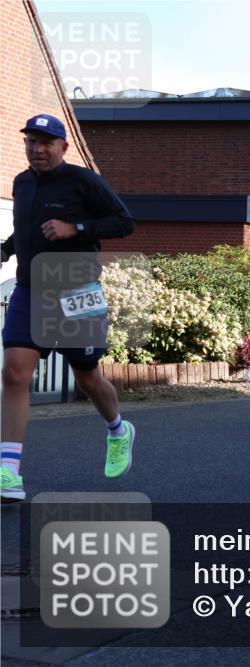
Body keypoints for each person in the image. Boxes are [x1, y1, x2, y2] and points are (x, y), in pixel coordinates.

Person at [1, 114, 136, 503]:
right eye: (31, 141)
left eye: (46, 143)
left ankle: (117, 429)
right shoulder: (22, 183)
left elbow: (124, 222)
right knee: (14, 373)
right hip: (31, 290)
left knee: (86, 376)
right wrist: (6, 250)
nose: (37, 149)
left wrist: (75, 229)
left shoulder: (84, 181)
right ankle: (9, 473)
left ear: (64, 146)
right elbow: (25, 228)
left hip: (78, 291)